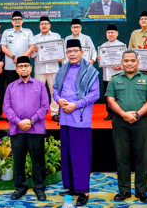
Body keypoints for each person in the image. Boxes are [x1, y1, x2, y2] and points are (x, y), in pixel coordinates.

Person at [106, 50, 147, 204]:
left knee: (142, 157)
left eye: (132, 60)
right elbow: (110, 100)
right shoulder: (114, 79)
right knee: (122, 157)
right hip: (120, 122)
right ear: (121, 63)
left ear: (138, 62)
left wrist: (137, 115)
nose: (129, 63)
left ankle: (141, 191)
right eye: (126, 60)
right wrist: (124, 114)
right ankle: (124, 190)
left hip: (141, 122)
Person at [53, 39, 100, 207]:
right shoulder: (62, 70)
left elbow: (95, 94)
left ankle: (83, 191)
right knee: (67, 155)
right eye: (69, 51)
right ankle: (72, 187)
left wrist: (75, 105)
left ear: (82, 52)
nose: (72, 54)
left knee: (80, 156)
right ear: (66, 54)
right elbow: (55, 89)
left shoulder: (90, 71)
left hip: (80, 119)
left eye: (75, 51)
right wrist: (59, 100)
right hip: (65, 118)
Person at [4, 56, 49, 201]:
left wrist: (31, 121)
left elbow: (45, 107)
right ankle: (20, 187)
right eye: (20, 66)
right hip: (17, 130)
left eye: (26, 66)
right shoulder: (11, 87)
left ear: (31, 68)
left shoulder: (40, 85)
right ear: (16, 70)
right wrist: (18, 122)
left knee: (38, 160)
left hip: (35, 129)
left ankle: (39, 188)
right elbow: (7, 108)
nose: (23, 68)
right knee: (18, 160)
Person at [31, 16, 62, 122]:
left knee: (54, 92)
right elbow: (31, 55)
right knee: (37, 92)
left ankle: (54, 113)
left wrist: (60, 57)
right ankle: (38, 114)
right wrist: (34, 50)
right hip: (40, 69)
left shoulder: (56, 36)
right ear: (39, 26)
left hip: (53, 68)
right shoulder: (34, 38)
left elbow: (60, 52)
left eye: (46, 24)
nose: (44, 26)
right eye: (41, 24)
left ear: (50, 25)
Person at [97, 24, 124, 120]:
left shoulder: (122, 46)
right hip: (107, 75)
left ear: (117, 34)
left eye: (112, 32)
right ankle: (110, 113)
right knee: (108, 95)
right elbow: (101, 62)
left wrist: (120, 67)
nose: (110, 34)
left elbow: (125, 61)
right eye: (108, 33)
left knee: (119, 95)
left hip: (119, 74)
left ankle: (119, 113)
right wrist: (99, 59)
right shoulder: (103, 46)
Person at [1, 11, 35, 85]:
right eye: (15, 19)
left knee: (26, 86)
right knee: (12, 87)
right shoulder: (6, 32)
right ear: (12, 22)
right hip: (10, 66)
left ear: (22, 21)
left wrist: (20, 59)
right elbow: (3, 48)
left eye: (19, 19)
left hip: (24, 67)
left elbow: (31, 47)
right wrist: (13, 57)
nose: (17, 21)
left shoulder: (28, 32)